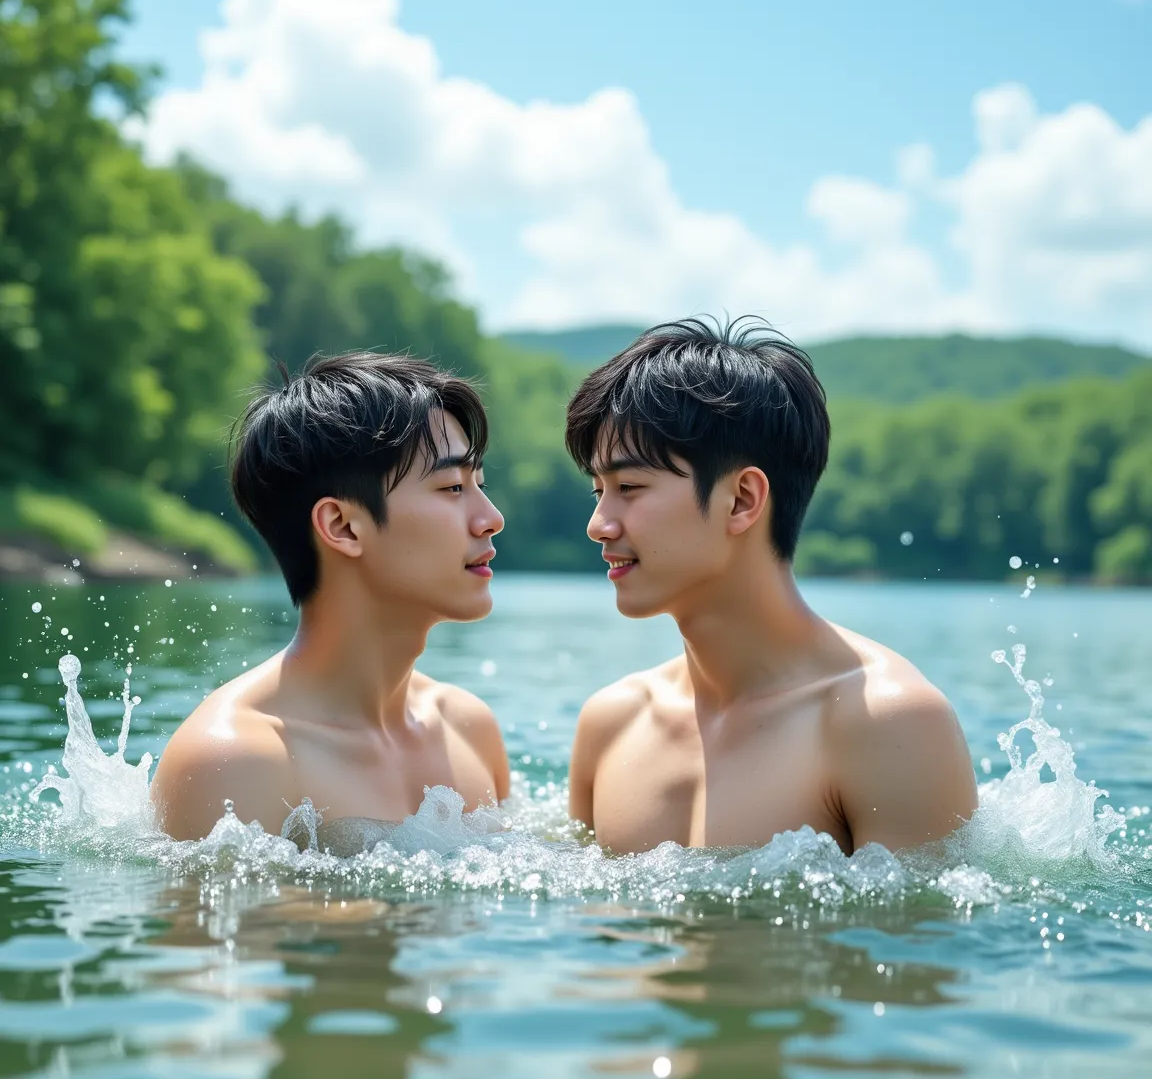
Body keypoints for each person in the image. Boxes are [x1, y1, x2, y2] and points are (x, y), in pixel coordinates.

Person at [564, 318, 977, 855]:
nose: (599, 524)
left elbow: (930, 935)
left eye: (629, 487)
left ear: (741, 500)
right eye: (598, 491)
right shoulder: (611, 723)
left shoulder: (886, 724)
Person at [152, 352, 509, 847]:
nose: (491, 518)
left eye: (480, 484)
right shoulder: (236, 762)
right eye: (452, 486)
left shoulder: (468, 727)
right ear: (342, 526)